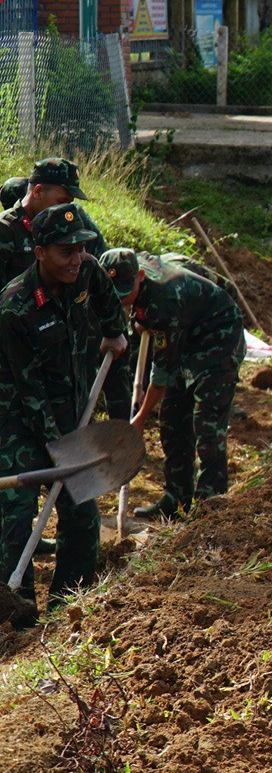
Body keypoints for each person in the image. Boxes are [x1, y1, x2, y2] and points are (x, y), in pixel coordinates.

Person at [0, 206, 129, 629]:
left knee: (83, 516)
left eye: (81, 248)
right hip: (16, 420)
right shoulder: (14, 308)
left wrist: (114, 331)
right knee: (16, 518)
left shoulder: (87, 272)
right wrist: (61, 453)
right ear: (39, 252)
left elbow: (111, 307)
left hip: (73, 411)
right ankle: (20, 619)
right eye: (64, 251)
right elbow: (29, 390)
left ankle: (66, 609)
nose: (75, 258)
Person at [101, 248, 246, 521]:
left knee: (206, 424)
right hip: (185, 331)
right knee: (172, 418)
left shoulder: (164, 299)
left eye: (125, 292)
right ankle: (176, 498)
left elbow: (163, 372)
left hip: (218, 337)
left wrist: (141, 417)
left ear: (140, 277)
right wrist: (140, 318)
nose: (121, 300)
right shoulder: (135, 267)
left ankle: (209, 507)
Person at [0, 158, 89, 282]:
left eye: (69, 203)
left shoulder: (62, 229)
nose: (64, 209)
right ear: (38, 192)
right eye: (61, 202)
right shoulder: (5, 229)